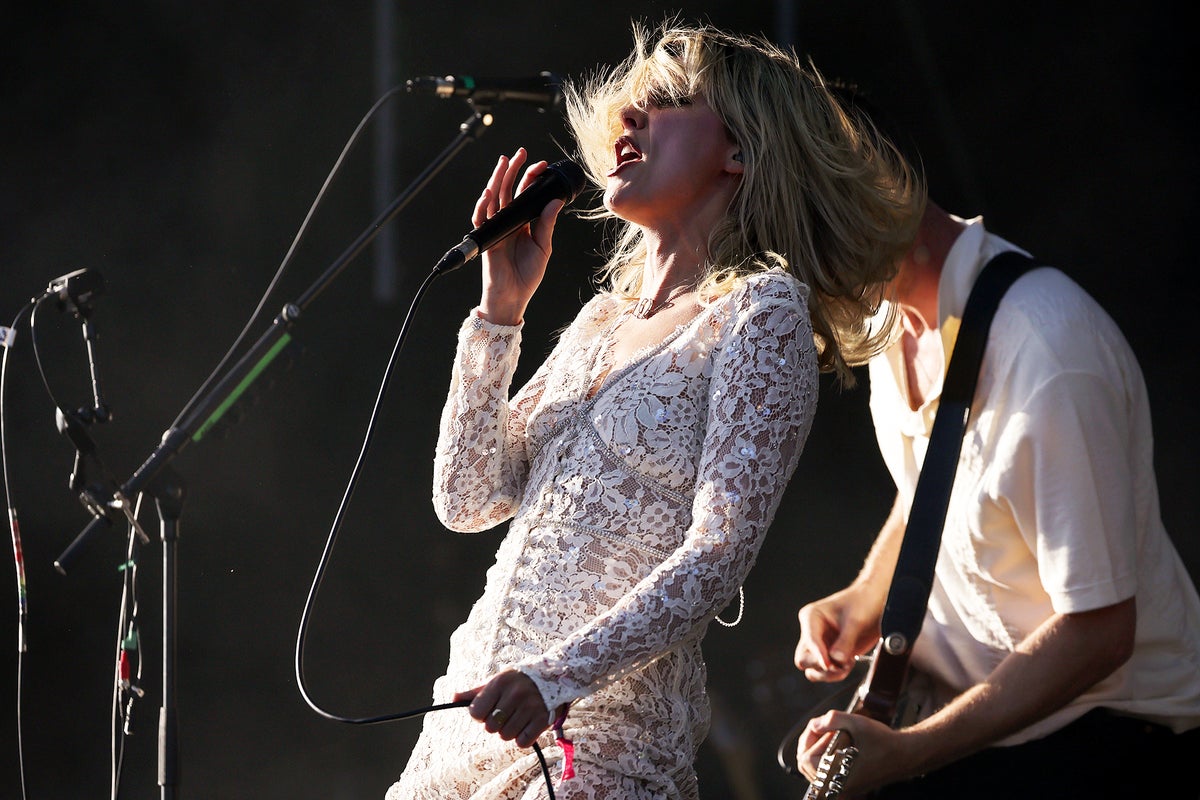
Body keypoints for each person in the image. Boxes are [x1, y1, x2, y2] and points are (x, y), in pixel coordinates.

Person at [386, 23, 924, 800]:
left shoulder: (760, 313)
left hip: (594, 743)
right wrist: (499, 315)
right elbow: (467, 500)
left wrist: (555, 676)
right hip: (465, 724)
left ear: (740, 151)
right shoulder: (601, 321)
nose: (629, 118)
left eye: (668, 101)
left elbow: (719, 551)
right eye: (629, 107)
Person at [792, 88, 1200, 799]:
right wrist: (864, 597)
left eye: (802, 227)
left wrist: (908, 752)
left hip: (1108, 736)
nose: (792, 266)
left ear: (876, 183)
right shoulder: (892, 317)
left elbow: (1099, 632)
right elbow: (934, 487)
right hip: (973, 716)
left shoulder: (1050, 355)